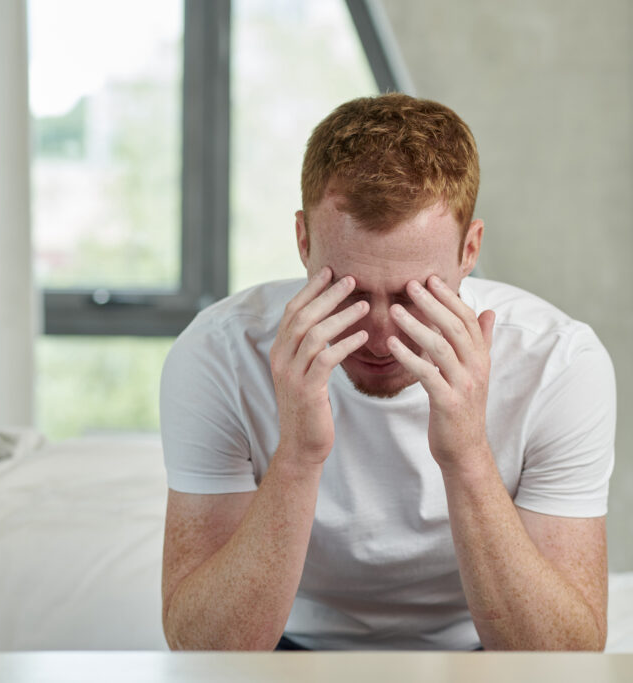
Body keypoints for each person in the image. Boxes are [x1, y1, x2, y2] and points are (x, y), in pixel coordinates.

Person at [159, 93, 615, 651]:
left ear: (469, 250)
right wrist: (298, 454)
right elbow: (202, 650)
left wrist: (468, 456)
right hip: (288, 647)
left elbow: (566, 659)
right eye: (347, 291)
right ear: (303, 241)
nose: (379, 336)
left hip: (483, 653)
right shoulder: (218, 354)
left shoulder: (557, 364)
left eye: (412, 295)